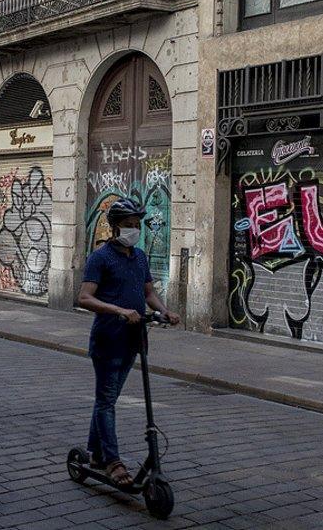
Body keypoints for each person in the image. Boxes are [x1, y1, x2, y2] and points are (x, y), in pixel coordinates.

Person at [76, 198, 179, 487]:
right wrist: (120, 311)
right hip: (108, 339)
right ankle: (112, 461)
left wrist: (164, 310)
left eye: (137, 226)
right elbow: (84, 297)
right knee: (106, 401)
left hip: (134, 341)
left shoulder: (140, 257)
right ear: (114, 227)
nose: (134, 230)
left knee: (107, 400)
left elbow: (149, 293)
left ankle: (96, 454)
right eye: (128, 226)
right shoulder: (101, 258)